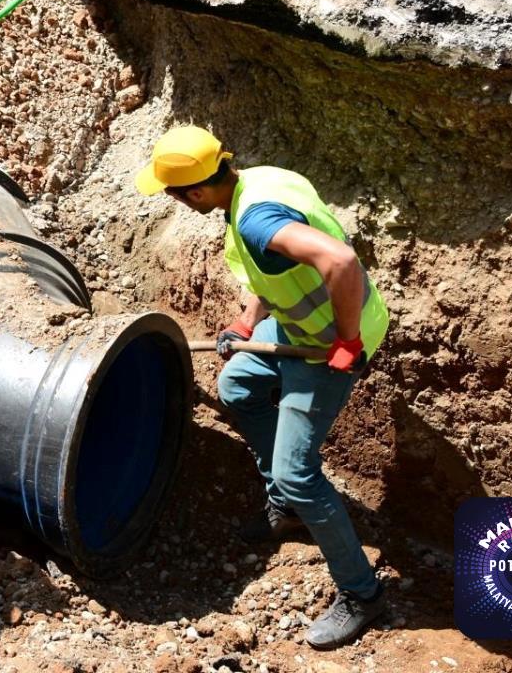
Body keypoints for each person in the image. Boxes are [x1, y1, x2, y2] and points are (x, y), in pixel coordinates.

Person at [134, 125, 391, 650]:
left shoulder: (256, 219)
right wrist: (248, 324)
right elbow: (272, 277)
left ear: (198, 192)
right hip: (301, 326)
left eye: (175, 195)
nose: (175, 202)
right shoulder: (258, 181)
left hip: (328, 342)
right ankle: (289, 509)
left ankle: (361, 594)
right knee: (239, 386)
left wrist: (345, 342)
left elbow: (338, 261)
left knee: (300, 473)